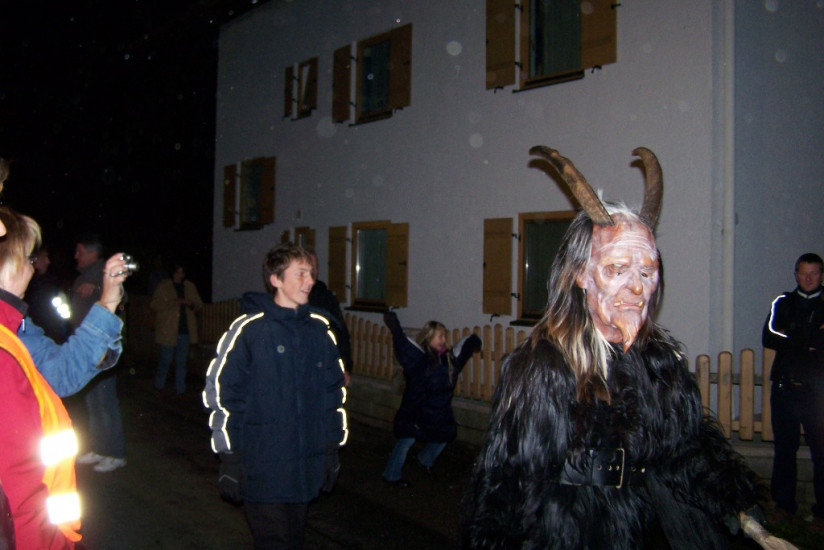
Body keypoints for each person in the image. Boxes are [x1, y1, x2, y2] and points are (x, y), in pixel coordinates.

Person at [459, 146, 788, 549]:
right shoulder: (543, 367)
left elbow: (685, 450)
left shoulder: (659, 363)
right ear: (582, 275)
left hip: (646, 528)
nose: (637, 287)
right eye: (617, 268)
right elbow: (508, 482)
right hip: (570, 534)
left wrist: (745, 514)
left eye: (647, 271)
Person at [202, 243, 347, 549]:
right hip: (262, 469)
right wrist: (230, 458)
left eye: (311, 273)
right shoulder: (250, 331)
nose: (310, 281)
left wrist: (330, 450)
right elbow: (224, 397)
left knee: (294, 541)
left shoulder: (320, 332)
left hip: (304, 471)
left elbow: (332, 398)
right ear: (276, 279)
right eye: (300, 273)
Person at [0, 204, 83, 548]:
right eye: (30, 258)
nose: (34, 267)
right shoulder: (4, 353)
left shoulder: (11, 332)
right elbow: (19, 484)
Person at [381, 311, 480, 487]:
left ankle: (424, 460)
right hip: (416, 410)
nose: (443, 339)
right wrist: (394, 324)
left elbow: (465, 348)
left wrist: (475, 343)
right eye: (439, 336)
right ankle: (391, 474)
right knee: (407, 439)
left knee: (445, 434)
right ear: (428, 337)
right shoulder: (419, 360)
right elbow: (403, 345)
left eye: (444, 336)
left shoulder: (449, 359)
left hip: (438, 410)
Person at [762, 252, 824, 529]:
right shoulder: (783, 302)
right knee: (784, 450)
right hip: (785, 388)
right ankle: (783, 506)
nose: (808, 278)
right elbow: (770, 335)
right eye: (803, 273)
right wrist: (810, 336)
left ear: (821, 275)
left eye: (814, 273)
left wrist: (794, 334)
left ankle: (822, 513)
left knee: (821, 451)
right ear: (796, 274)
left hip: (818, 392)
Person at [70, 232, 127, 473]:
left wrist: (97, 288)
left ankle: (115, 453)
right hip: (85, 347)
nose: (76, 256)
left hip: (103, 349)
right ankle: (98, 448)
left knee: (105, 402)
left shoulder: (105, 273)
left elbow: (122, 297)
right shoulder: (82, 276)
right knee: (92, 401)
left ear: (92, 253)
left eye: (80, 251)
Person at [150, 261, 203, 396]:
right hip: (168, 330)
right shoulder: (164, 286)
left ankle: (181, 390)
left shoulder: (189, 286)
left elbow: (198, 305)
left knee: (182, 363)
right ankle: (159, 386)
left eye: (182, 273)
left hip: (185, 330)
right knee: (165, 361)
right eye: (178, 272)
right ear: (173, 273)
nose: (180, 275)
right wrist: (174, 302)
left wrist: (191, 304)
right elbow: (155, 305)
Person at [308, 250, 353, 385]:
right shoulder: (291, 299)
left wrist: (345, 367)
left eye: (316, 267)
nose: (313, 271)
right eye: (309, 266)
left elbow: (340, 333)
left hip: (324, 367)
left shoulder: (326, 298)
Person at [25, 245, 69, 342]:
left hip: (48, 337)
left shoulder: (51, 284)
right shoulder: (25, 286)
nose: (48, 261)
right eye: (43, 257)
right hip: (31, 337)